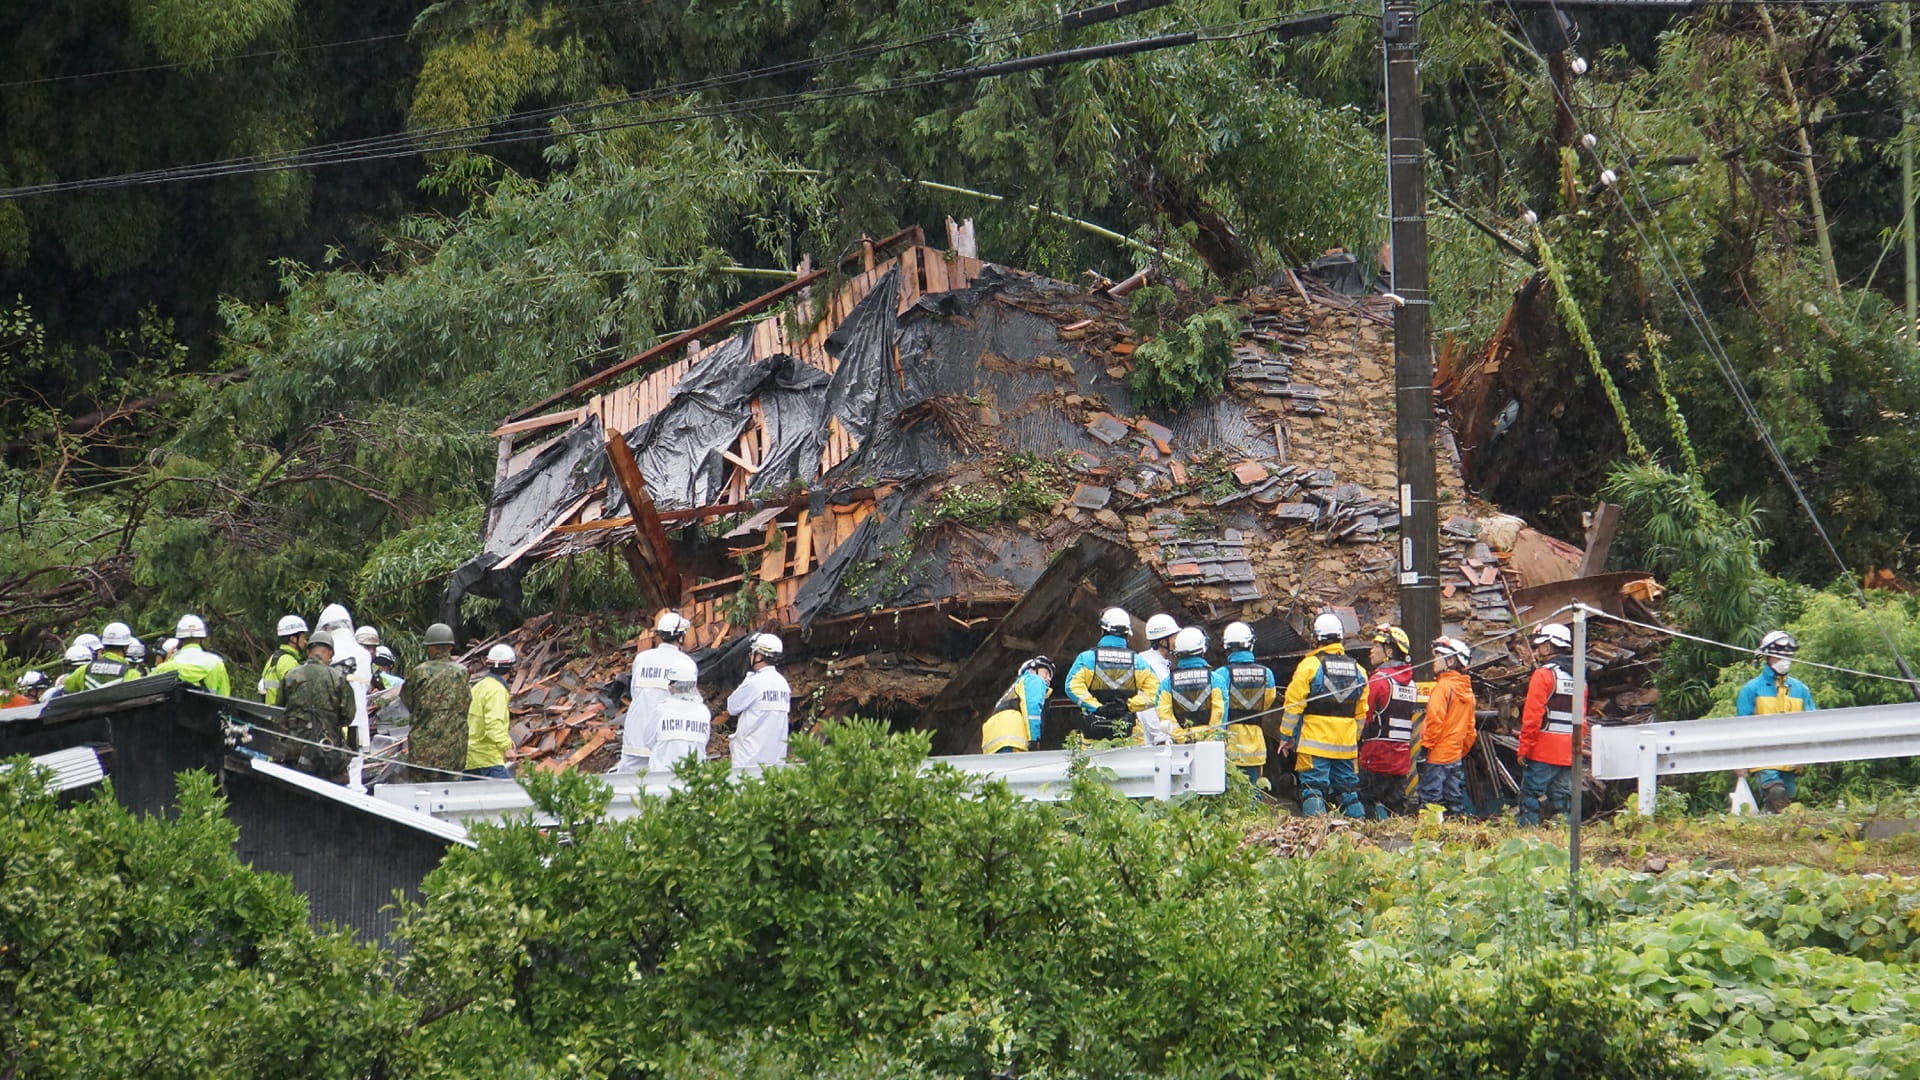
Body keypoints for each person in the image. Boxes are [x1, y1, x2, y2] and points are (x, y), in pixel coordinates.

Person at [1279, 612, 1369, 818]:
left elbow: (1293, 705)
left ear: (1317, 638)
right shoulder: (1360, 671)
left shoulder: (1309, 666)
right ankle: (1359, 833)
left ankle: (1315, 833)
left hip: (1314, 742)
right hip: (1346, 745)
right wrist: (1353, 739)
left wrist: (1286, 736)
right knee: (1348, 792)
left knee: (1312, 789)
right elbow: (1362, 713)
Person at [1734, 630, 1817, 813]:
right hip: (1762, 756)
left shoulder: (1800, 689)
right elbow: (1740, 727)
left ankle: (1770, 834)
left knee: (1784, 804)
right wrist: (1739, 760)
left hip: (1791, 758)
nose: (1784, 660)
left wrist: (1809, 752)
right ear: (1766, 657)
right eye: (1778, 656)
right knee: (1776, 793)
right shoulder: (1752, 689)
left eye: (1788, 656)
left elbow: (1811, 723)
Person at [1516, 623, 1579, 826]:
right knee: (1561, 799)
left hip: (1544, 749)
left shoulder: (1544, 675)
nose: (1538, 650)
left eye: (1541, 645)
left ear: (1548, 647)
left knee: (1530, 798)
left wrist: (1524, 748)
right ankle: (1564, 838)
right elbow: (1582, 720)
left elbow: (1532, 717)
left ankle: (1527, 839)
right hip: (1569, 750)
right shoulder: (1579, 678)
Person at [1065, 607, 1160, 741]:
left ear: (1102, 630)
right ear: (1127, 634)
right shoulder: (1138, 662)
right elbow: (1156, 693)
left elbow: (1072, 687)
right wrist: (1127, 706)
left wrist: (1097, 708)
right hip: (1127, 734)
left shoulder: (1087, 658)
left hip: (1094, 734)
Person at [616, 611, 693, 773]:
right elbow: (687, 701)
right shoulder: (686, 663)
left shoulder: (642, 659)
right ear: (681, 637)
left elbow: (635, 692)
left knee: (628, 786)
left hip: (635, 735)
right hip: (666, 739)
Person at [278, 630, 356, 784]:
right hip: (328, 751)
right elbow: (348, 715)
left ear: (308, 651)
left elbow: (280, 710)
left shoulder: (290, 676)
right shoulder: (337, 678)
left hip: (294, 751)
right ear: (331, 653)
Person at [398, 622, 471, 782]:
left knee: (421, 794)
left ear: (431, 647)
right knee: (450, 796)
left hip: (424, 749)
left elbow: (406, 699)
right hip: (454, 749)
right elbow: (466, 704)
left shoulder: (420, 672)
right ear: (450, 647)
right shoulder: (462, 673)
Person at [1359, 624, 1418, 819]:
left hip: (1374, 758)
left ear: (1389, 651)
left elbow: (1363, 717)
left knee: (1365, 805)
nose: (1371, 650)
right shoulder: (1411, 684)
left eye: (1377, 645)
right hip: (1400, 760)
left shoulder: (1379, 681)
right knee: (1396, 810)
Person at [1417, 636, 1478, 814]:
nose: (1434, 661)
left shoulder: (1443, 687)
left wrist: (1426, 748)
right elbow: (1470, 731)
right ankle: (1456, 833)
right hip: (1455, 756)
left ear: (1450, 660)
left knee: (1430, 799)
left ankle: (1430, 836)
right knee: (1454, 799)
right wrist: (1459, 751)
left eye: (1438, 656)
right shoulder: (1467, 690)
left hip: (1437, 755)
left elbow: (1435, 720)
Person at [1214, 621, 1275, 791]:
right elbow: (1268, 701)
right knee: (1253, 791)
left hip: (1228, 745)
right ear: (1250, 644)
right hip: (1255, 744)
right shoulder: (1267, 674)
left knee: (1228, 792)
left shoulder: (1220, 674)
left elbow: (1216, 708)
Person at [726, 633, 791, 767]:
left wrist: (747, 680)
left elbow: (732, 707)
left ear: (759, 656)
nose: (750, 656)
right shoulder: (783, 684)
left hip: (750, 762)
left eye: (752, 653)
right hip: (775, 762)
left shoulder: (754, 682)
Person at [314, 604, 371, 754]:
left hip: (334, 728)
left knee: (334, 769)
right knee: (354, 767)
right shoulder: (364, 654)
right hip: (358, 726)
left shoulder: (328, 654)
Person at [1156, 627, 1221, 746]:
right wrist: (1208, 739)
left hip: (1181, 749)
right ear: (1203, 649)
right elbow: (1219, 715)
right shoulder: (1216, 680)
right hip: (1211, 747)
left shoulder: (1167, 684)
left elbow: (1165, 716)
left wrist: (1182, 739)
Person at [650, 653, 711, 771]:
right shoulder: (703, 711)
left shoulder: (662, 709)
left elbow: (648, 741)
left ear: (674, 684)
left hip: (661, 777)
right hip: (694, 778)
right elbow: (704, 743)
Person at [982, 656, 1053, 753]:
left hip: (993, 741)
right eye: (1046, 673)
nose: (1048, 678)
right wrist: (1034, 739)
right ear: (1032, 670)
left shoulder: (1014, 688)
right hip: (1011, 738)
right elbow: (1032, 708)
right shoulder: (1033, 679)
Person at [465, 643, 516, 780]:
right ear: (511, 668)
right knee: (511, 797)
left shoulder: (479, 686)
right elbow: (494, 724)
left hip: (471, 756)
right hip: (487, 758)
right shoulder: (497, 691)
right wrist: (507, 747)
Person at [152, 614, 231, 696]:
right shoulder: (216, 665)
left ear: (179, 640)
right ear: (203, 640)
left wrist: (166, 662)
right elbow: (225, 698)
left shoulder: (164, 668)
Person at [1135, 613, 1180, 745]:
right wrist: (1161, 738)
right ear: (1162, 641)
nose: (1177, 640)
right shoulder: (1153, 668)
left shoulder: (1156, 663)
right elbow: (1148, 708)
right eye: (1174, 636)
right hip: (1151, 743)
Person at [60, 621, 139, 694]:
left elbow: (67, 688)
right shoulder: (131, 674)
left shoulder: (84, 670)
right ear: (126, 647)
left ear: (104, 644)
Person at [259, 614, 307, 706]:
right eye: (303, 637)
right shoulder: (288, 662)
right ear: (293, 639)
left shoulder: (273, 658)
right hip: (282, 715)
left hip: (271, 714)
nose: (305, 641)